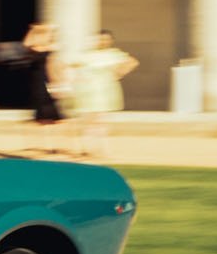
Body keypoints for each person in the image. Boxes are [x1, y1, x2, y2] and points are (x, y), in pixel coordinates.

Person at [64, 29, 137, 159]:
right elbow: (71, 66)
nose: (103, 41)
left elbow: (132, 62)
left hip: (104, 90)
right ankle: (87, 149)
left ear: (110, 41)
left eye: (105, 39)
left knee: (101, 122)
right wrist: (75, 81)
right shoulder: (87, 54)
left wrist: (119, 73)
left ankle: (102, 149)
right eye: (100, 39)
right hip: (88, 91)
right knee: (87, 121)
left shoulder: (113, 54)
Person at [20, 21, 62, 141]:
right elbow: (26, 43)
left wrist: (48, 29)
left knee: (52, 114)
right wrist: (34, 30)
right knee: (41, 113)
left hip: (47, 79)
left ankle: (53, 142)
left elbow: (54, 46)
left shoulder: (51, 47)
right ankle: (44, 142)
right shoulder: (34, 48)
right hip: (36, 81)